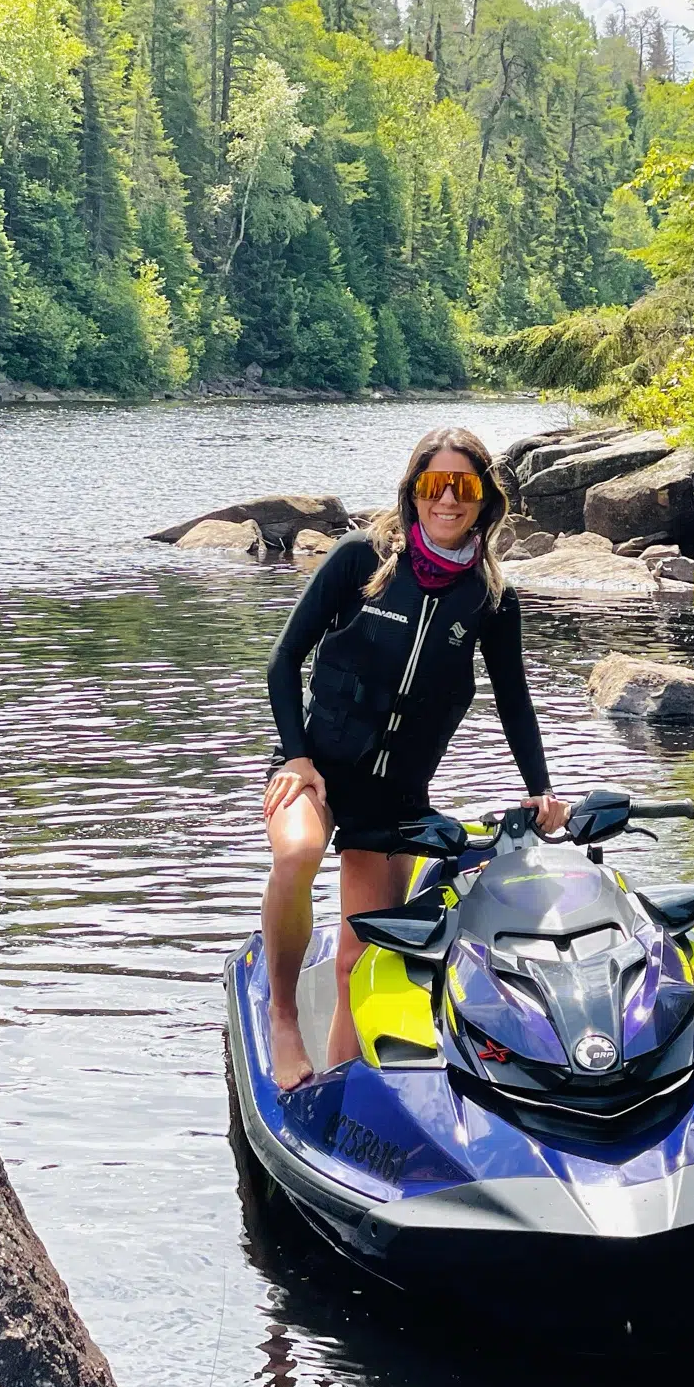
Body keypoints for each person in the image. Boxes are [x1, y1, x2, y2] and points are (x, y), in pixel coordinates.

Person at [261, 425, 568, 1091]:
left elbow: (515, 701)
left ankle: (344, 1087)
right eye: (436, 485)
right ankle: (282, 1017)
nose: (448, 500)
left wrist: (541, 792)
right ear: (414, 492)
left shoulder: (492, 599)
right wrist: (296, 755)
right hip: (317, 767)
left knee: (359, 958)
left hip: (395, 797)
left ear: (485, 499)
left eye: (464, 487)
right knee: (296, 853)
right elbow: (284, 660)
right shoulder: (358, 560)